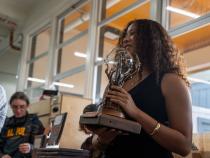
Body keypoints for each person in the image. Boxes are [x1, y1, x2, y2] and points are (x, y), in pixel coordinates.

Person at [89, 19, 192, 158]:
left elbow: (184, 146)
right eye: (125, 35)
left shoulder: (170, 82)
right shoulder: (116, 83)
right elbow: (96, 142)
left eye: (133, 34)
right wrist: (102, 139)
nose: (126, 39)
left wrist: (136, 112)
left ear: (151, 40)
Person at [0, 92, 45, 158]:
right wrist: (2, 155)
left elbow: (42, 145)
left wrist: (31, 148)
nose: (18, 110)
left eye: (22, 107)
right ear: (11, 106)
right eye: (15, 107)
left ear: (27, 106)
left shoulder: (34, 122)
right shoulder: (6, 123)